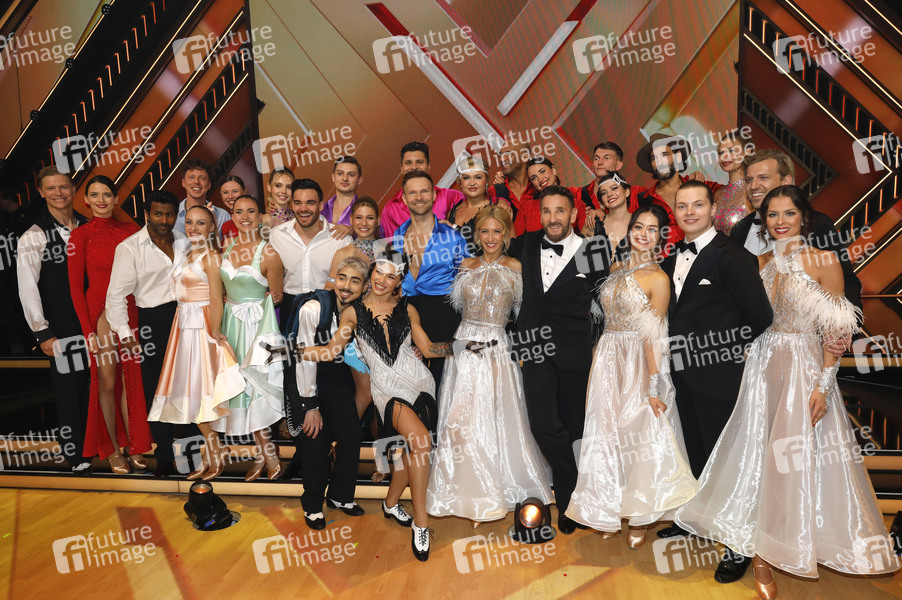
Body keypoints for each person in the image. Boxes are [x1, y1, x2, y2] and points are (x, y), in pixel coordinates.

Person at [675, 186, 900, 598]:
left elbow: (836, 331)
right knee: (757, 458)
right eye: (773, 215)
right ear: (763, 220)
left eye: (789, 214)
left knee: (794, 461)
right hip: (759, 368)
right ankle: (759, 553)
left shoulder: (824, 261)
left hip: (803, 369)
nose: (780, 222)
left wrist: (823, 386)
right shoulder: (757, 262)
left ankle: (794, 542)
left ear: (804, 218)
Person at [297, 254, 460, 562]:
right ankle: (421, 523)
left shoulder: (407, 308)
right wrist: (295, 351)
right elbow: (332, 350)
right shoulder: (353, 313)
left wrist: (462, 346)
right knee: (421, 441)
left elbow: (427, 349)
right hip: (387, 388)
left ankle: (391, 504)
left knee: (411, 452)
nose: (382, 280)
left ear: (398, 281)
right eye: (379, 273)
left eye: (390, 276)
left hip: (420, 382)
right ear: (371, 273)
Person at [656, 180, 773, 584]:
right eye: (682, 206)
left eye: (697, 205)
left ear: (712, 210)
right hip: (681, 374)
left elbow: (759, 316)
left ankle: (737, 543)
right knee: (696, 454)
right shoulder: (672, 256)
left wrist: (722, 351)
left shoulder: (734, 256)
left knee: (728, 460)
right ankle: (698, 520)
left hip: (719, 376)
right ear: (675, 211)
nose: (690, 212)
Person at [567, 204, 697, 547]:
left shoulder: (659, 279)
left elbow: (654, 336)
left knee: (639, 434)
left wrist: (653, 386)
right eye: (639, 227)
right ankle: (607, 508)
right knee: (605, 432)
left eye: (652, 229)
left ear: (662, 237)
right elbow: (602, 318)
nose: (643, 234)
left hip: (639, 361)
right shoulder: (616, 267)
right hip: (608, 357)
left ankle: (641, 516)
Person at [427, 206, 553, 523]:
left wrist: (525, 350)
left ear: (506, 234)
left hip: (497, 346)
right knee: (459, 419)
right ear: (477, 234)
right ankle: (462, 491)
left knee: (495, 417)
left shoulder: (516, 267)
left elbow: (527, 314)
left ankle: (495, 491)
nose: (491, 237)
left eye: (497, 231)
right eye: (485, 231)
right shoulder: (465, 265)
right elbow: (450, 310)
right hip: (464, 345)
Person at [507, 185, 609, 534]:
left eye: (560, 211)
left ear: (574, 214)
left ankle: (568, 505)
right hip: (534, 348)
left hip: (573, 351)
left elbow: (606, 300)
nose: (553, 218)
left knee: (574, 428)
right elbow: (489, 252)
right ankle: (579, 491)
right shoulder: (525, 244)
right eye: (547, 211)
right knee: (542, 425)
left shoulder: (593, 250)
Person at [147, 205, 244, 480]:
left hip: (201, 327)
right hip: (182, 326)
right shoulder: (186, 254)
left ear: (212, 227)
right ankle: (213, 452)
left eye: (200, 223)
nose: (193, 228)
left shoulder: (211, 257)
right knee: (188, 392)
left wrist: (215, 330)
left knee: (201, 392)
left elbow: (215, 297)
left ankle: (215, 450)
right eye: (189, 222)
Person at [68, 175, 152, 473]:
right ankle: (112, 449)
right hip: (99, 314)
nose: (101, 200)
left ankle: (135, 445)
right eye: (95, 195)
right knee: (107, 381)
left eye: (107, 194)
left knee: (132, 380)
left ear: (116, 199)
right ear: (85, 201)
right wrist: (87, 330)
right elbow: (75, 288)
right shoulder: (80, 236)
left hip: (129, 310)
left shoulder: (131, 231)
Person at [106, 190, 188, 478]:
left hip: (189, 318)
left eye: (170, 214)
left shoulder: (185, 241)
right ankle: (164, 457)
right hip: (154, 322)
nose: (164, 220)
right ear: (147, 215)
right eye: (158, 214)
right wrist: (125, 334)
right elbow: (116, 296)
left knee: (190, 388)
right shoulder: (130, 248)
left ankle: (192, 455)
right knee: (158, 393)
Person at [16, 167, 92, 474]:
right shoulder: (33, 236)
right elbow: (27, 288)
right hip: (61, 327)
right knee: (69, 391)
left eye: (63, 187)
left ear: (73, 189)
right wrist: (42, 332)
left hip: (95, 323)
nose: (58, 193)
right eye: (51, 188)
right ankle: (76, 455)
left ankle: (100, 446)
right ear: (41, 192)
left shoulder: (89, 226)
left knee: (97, 387)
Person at [285, 256, 370, 529]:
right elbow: (303, 358)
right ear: (335, 279)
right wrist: (310, 405)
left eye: (355, 281)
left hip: (335, 376)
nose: (346, 286)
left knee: (351, 435)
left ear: (364, 286)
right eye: (342, 278)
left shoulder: (359, 310)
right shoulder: (313, 309)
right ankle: (312, 505)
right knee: (315, 442)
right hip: (305, 378)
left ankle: (340, 496)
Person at [731, 149, 862, 317]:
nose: (754, 186)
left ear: (786, 181)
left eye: (763, 178)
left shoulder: (817, 224)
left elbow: (846, 281)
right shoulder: (740, 229)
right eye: (749, 180)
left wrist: (847, 327)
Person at [213, 195, 286, 481]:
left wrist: (271, 299)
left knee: (256, 385)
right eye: (239, 211)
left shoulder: (269, 253)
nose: (245, 216)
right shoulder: (226, 247)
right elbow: (221, 289)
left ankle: (268, 454)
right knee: (240, 388)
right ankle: (260, 454)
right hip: (230, 326)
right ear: (232, 216)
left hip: (258, 327)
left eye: (251, 211)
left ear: (260, 216)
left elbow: (277, 297)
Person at [390, 169, 469, 395]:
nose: (419, 197)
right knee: (413, 394)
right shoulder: (395, 238)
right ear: (404, 199)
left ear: (434, 195)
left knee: (447, 393)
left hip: (446, 319)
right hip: (407, 323)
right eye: (412, 193)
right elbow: (390, 285)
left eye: (424, 191)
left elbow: (468, 281)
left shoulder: (453, 236)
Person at [270, 179, 350, 334]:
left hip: (327, 312)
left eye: (310, 203)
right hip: (288, 311)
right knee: (289, 350)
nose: (303, 209)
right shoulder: (277, 235)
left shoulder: (340, 239)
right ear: (292, 205)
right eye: (298, 203)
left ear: (321, 205)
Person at [326, 197, 380, 418]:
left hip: (383, 327)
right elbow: (331, 289)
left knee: (383, 392)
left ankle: (377, 438)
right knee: (365, 392)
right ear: (351, 220)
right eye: (358, 217)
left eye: (370, 217)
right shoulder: (343, 253)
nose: (364, 223)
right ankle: (346, 436)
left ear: (377, 220)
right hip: (353, 330)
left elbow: (398, 291)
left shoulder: (389, 250)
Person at [634, 133, 723, 253]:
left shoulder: (700, 186)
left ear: (678, 157)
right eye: (654, 158)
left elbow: (734, 191)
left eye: (664, 155)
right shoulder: (643, 200)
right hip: (662, 263)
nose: (660, 162)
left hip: (706, 258)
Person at [379, 142, 464, 237]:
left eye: (419, 162)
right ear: (402, 168)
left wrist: (454, 228)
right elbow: (389, 244)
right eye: (408, 163)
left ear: (428, 166)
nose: (414, 167)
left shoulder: (450, 196)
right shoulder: (391, 209)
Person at [445, 156, 510, 255]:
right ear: (460, 181)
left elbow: (511, 248)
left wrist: (455, 228)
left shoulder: (499, 209)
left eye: (478, 177)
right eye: (466, 178)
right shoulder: (453, 211)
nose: (472, 183)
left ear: (486, 180)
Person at [513, 157, 587, 235]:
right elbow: (514, 240)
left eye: (542, 171)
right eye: (534, 178)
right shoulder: (526, 208)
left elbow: (589, 238)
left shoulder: (576, 204)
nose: (540, 179)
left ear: (553, 170)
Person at [580, 171, 637, 263]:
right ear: (601, 202)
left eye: (614, 188)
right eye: (604, 193)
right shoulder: (593, 224)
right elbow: (580, 263)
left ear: (627, 191)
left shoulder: (641, 225)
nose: (610, 194)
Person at [173, 159, 230, 238]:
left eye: (202, 178)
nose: (196, 182)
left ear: (209, 184)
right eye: (191, 177)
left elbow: (231, 244)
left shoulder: (222, 216)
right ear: (183, 183)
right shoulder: (172, 214)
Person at [713, 130, 751, 234]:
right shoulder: (718, 194)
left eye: (731, 151)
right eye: (721, 153)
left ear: (747, 152)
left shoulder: (754, 191)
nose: (724, 157)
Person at [490, 138, 534, 219]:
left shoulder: (538, 186)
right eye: (501, 155)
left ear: (525, 157)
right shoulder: (494, 191)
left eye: (508, 153)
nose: (502, 159)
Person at [322, 156, 362, 235]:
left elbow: (377, 237)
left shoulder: (366, 210)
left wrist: (353, 230)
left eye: (351, 174)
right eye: (340, 173)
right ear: (333, 177)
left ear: (359, 180)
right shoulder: (320, 210)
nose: (345, 178)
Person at [261, 167, 295, 235]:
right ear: (269, 187)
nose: (283, 191)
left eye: (289, 187)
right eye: (278, 186)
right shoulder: (264, 220)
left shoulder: (298, 218)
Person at [219, 175, 246, 241]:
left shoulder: (254, 218)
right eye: (225, 192)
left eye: (235, 191)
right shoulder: (225, 226)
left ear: (244, 192)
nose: (230, 196)